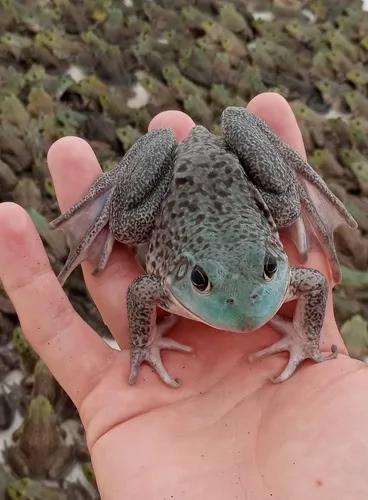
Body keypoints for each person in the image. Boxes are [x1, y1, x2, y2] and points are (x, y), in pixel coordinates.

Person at [0, 93, 367, 500]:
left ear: (274, 262)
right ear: (186, 275)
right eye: (201, 282)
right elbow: (141, 289)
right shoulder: (168, 287)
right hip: (172, 183)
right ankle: (111, 194)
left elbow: (316, 284)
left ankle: (295, 179)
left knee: (283, 207)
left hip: (231, 181)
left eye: (269, 270)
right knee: (127, 226)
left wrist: (306, 339)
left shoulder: (288, 278)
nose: (246, 309)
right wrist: (143, 342)